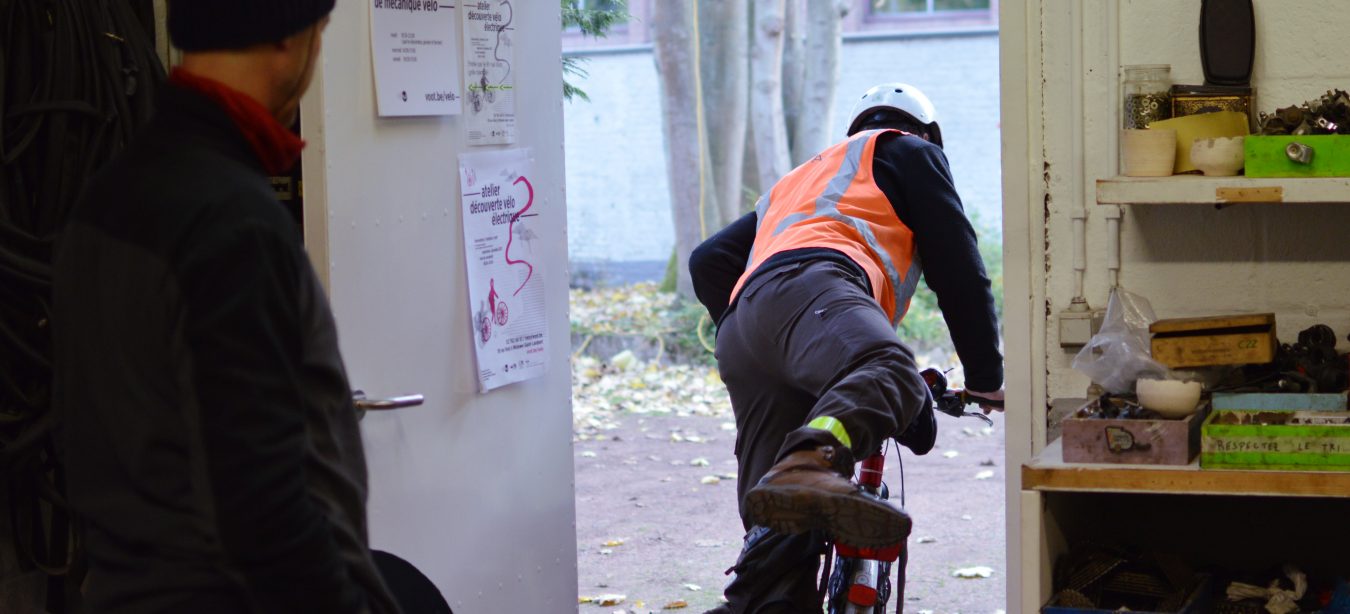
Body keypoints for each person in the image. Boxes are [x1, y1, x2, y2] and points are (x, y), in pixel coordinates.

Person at [51, 1, 401, 612]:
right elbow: (261, 508)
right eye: (320, 31)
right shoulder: (232, 222)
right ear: (293, 38)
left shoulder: (106, 199)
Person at [689, 83, 1005, 613]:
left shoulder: (800, 179)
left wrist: (766, 332)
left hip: (744, 331)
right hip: (813, 286)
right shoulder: (908, 149)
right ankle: (812, 457)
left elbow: (708, 261)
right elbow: (959, 271)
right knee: (889, 370)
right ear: (926, 133)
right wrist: (985, 378)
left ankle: (756, 597)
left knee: (781, 539)